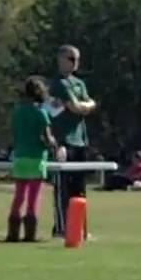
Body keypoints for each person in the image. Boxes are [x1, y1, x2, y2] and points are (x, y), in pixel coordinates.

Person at [47, 45, 97, 237]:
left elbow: (90, 104)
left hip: (80, 140)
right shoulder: (58, 84)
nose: (75, 63)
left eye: (77, 59)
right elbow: (76, 107)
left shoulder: (79, 83)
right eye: (71, 59)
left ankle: (79, 228)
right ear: (61, 60)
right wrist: (84, 106)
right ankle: (61, 227)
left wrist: (84, 106)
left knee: (79, 187)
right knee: (63, 188)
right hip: (63, 141)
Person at [7, 77, 56, 243]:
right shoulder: (41, 113)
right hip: (36, 158)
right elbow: (48, 138)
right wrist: (53, 145)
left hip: (20, 157)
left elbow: (14, 133)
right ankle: (30, 234)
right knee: (33, 196)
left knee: (19, 195)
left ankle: (13, 233)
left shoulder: (18, 112)